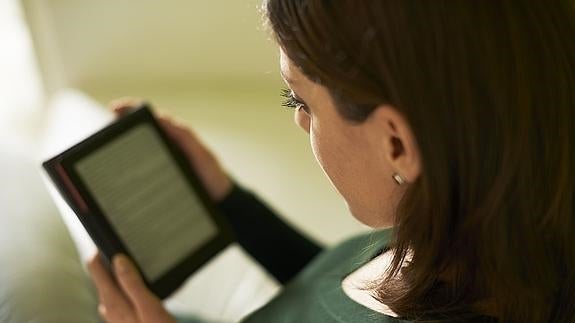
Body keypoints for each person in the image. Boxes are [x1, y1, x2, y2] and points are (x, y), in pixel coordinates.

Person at [86, 1, 575, 322]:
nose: (300, 122)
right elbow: (331, 294)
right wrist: (230, 203)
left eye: (299, 101)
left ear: (397, 144)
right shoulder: (468, 227)